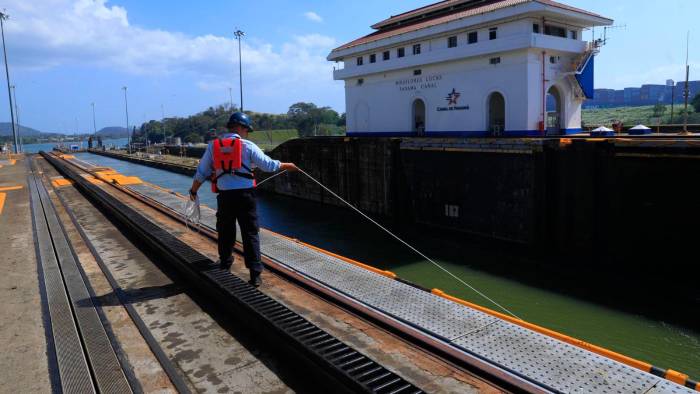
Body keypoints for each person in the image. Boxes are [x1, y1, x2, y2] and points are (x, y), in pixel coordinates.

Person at [188, 112, 298, 287]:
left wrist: (193, 191)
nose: (247, 133)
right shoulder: (247, 145)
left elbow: (201, 172)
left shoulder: (213, 146)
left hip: (225, 198)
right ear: (241, 128)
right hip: (246, 196)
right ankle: (255, 274)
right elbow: (268, 165)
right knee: (250, 233)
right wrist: (287, 166)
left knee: (225, 232)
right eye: (247, 129)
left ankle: (225, 265)